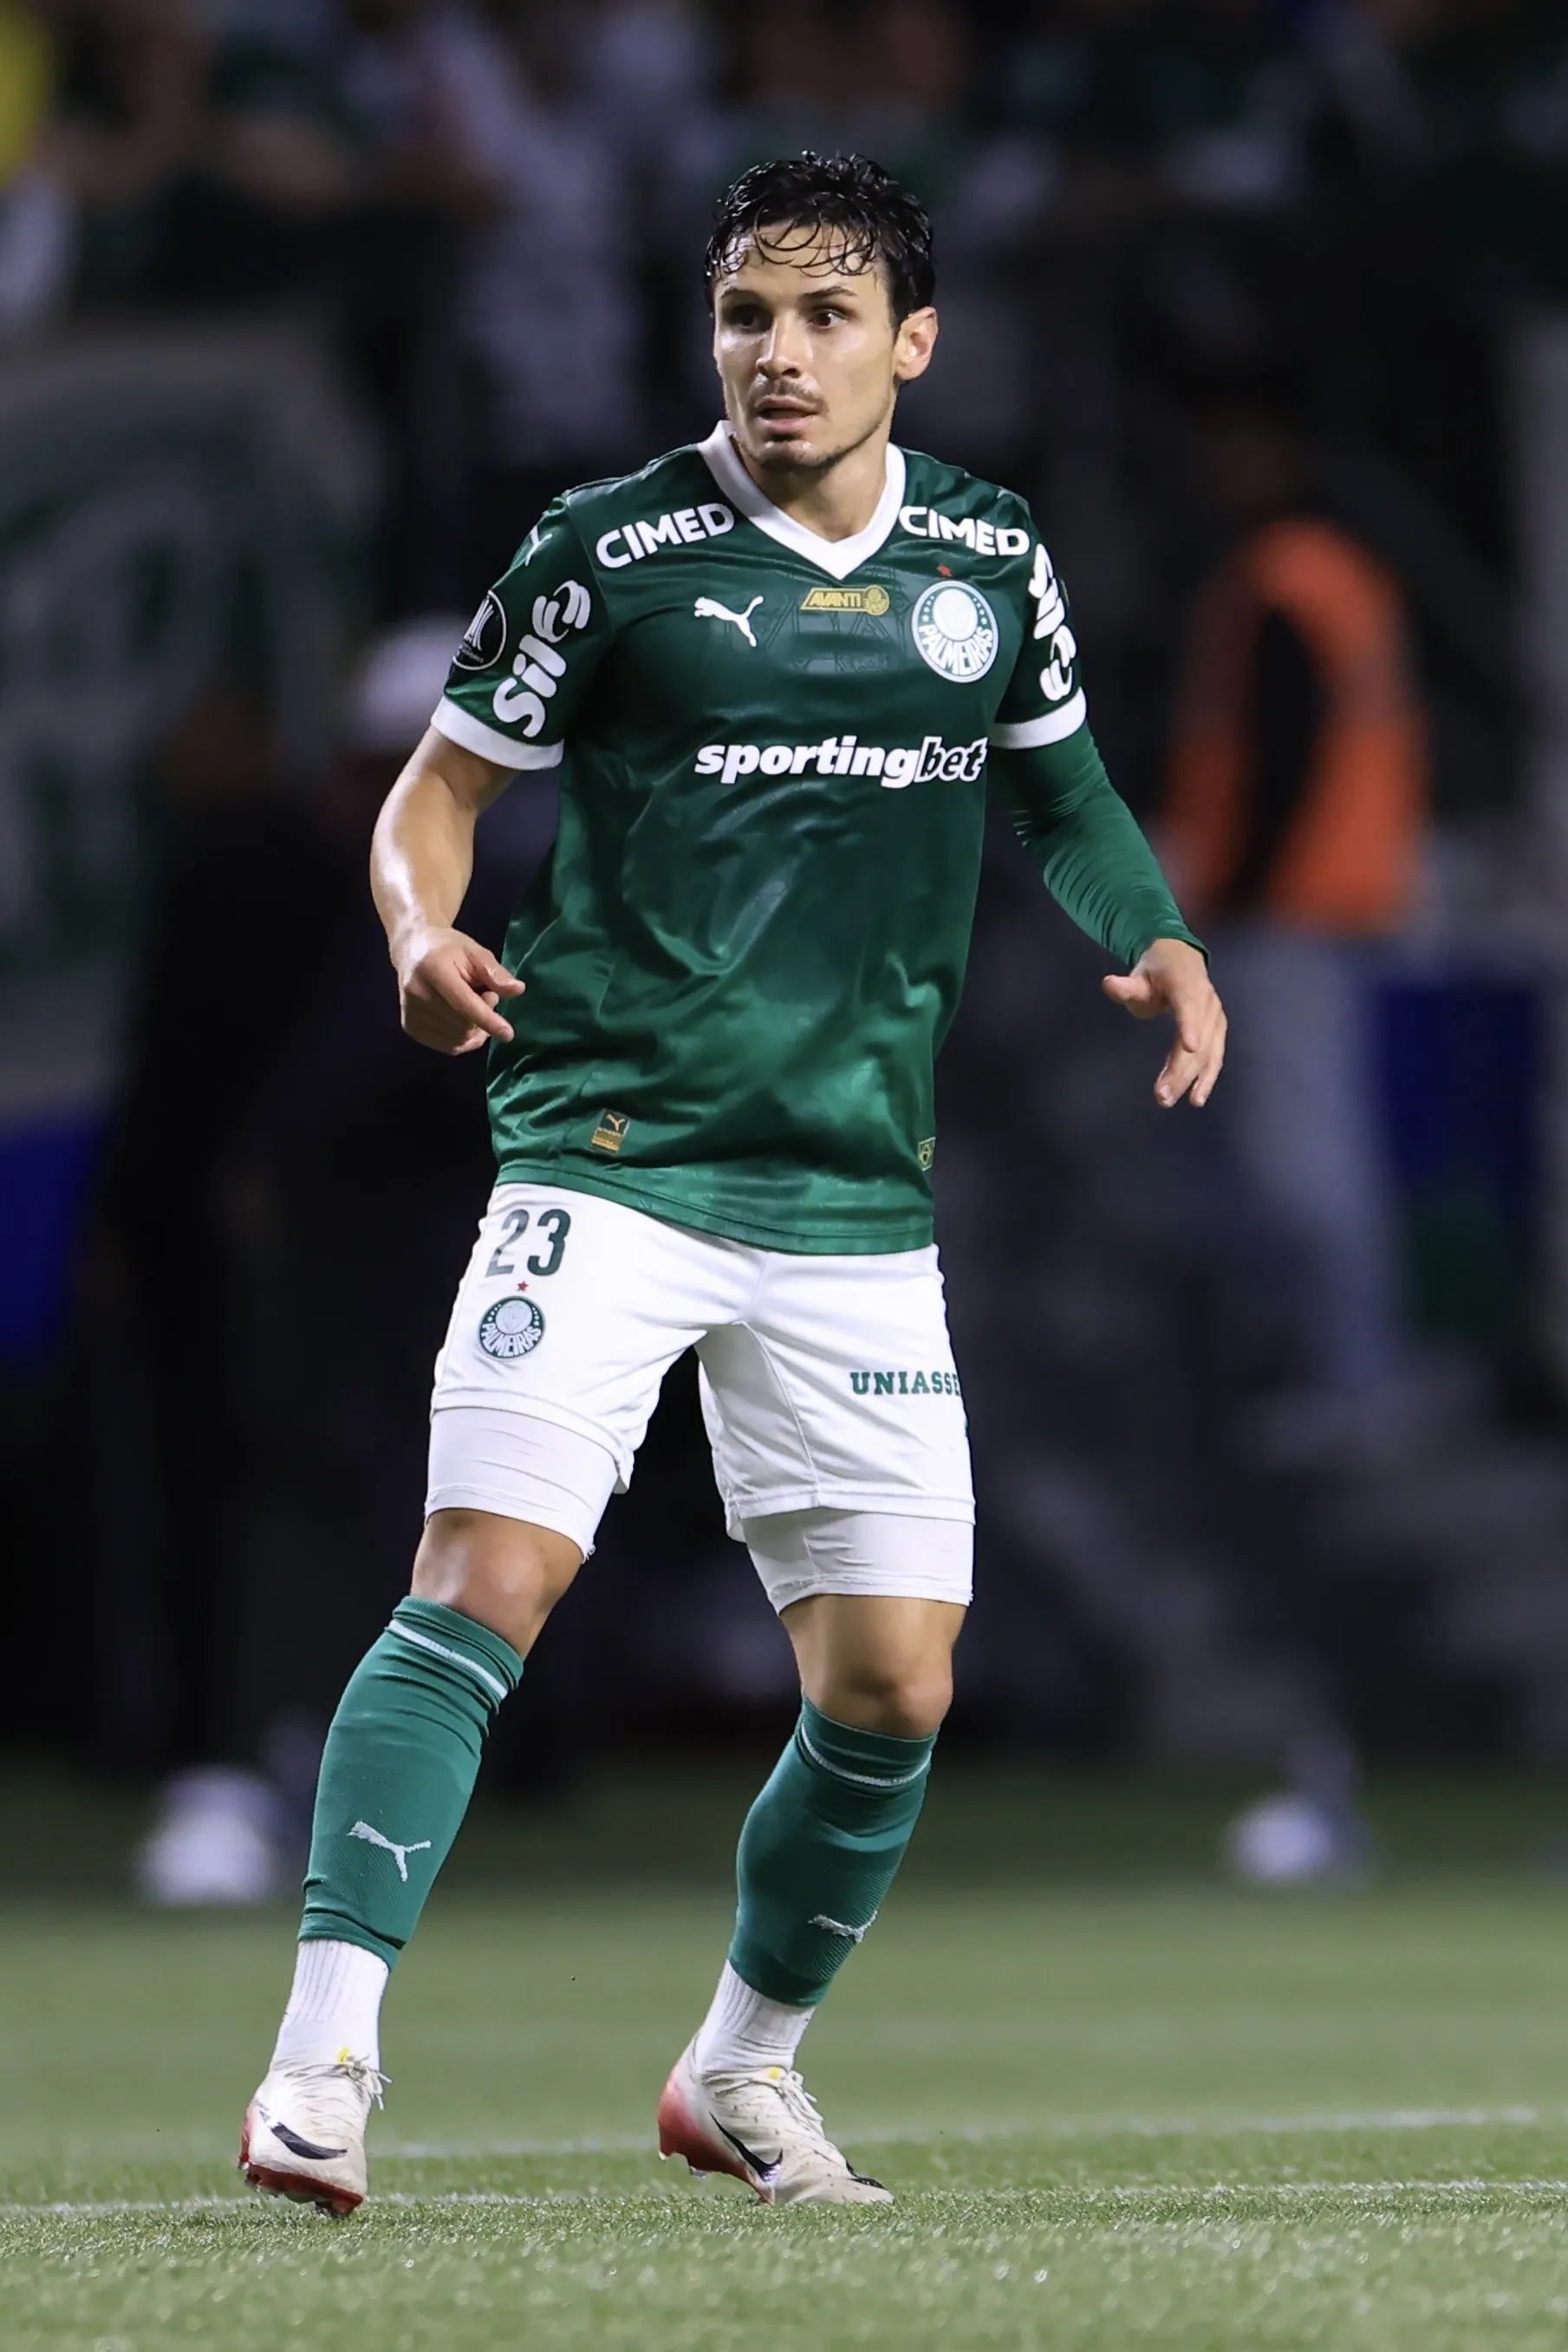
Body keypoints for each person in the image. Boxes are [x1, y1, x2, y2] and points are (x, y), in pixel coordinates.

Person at [239, 151, 1224, 2217]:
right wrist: (420, 943)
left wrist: (1150, 931)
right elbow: (432, 800)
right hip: (604, 1154)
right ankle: (319, 2065)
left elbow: (1059, 788)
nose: (777, 356)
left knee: (893, 1683)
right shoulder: (606, 556)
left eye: (823, 317)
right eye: (745, 318)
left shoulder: (988, 555)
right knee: (480, 1583)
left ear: (912, 344)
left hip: (853, 1197)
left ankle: (738, 2075)